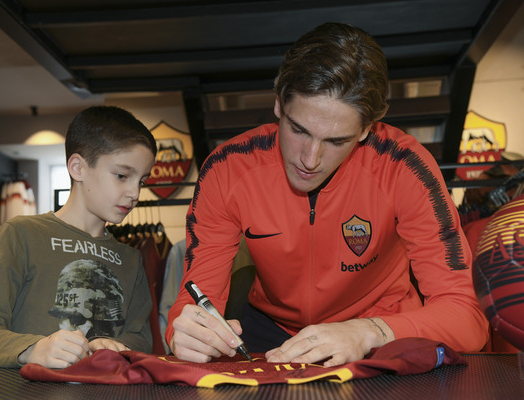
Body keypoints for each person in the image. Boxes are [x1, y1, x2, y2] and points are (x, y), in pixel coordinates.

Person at [165, 22, 489, 366]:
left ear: (366, 129)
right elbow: (195, 297)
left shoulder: (404, 167)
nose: (310, 159)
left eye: (337, 141)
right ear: (278, 104)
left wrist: (368, 332)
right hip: (270, 332)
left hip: (380, 330)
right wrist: (181, 331)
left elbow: (467, 316)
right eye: (298, 130)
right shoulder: (227, 169)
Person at [0, 106, 157, 369]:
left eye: (141, 181)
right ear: (78, 168)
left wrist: (109, 345)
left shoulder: (131, 258)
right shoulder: (22, 235)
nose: (134, 192)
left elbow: (142, 337)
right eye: (122, 176)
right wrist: (33, 349)